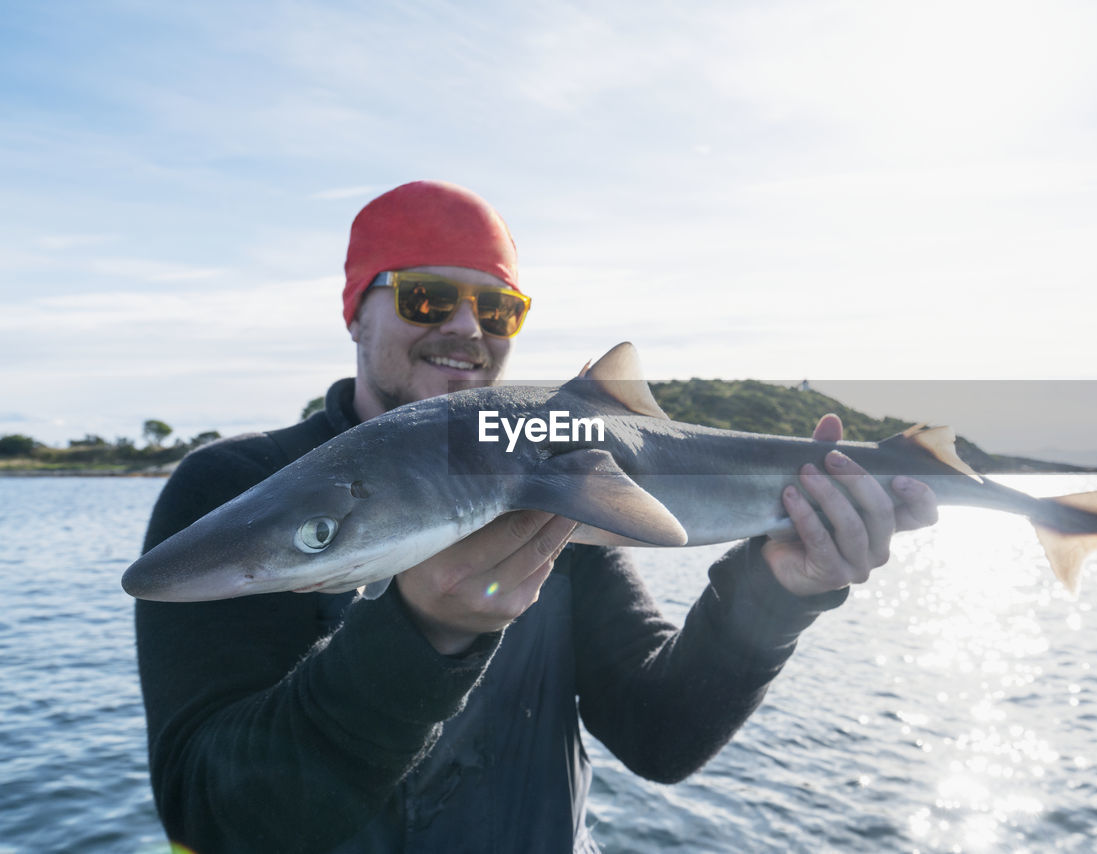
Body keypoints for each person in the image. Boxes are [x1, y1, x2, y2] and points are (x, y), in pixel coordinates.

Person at [134, 181, 938, 853]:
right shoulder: (231, 487)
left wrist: (776, 589)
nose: (465, 328)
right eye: (427, 296)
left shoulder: (563, 477)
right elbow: (210, 816)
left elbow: (659, 736)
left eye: (498, 309)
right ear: (356, 312)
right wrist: (421, 634)